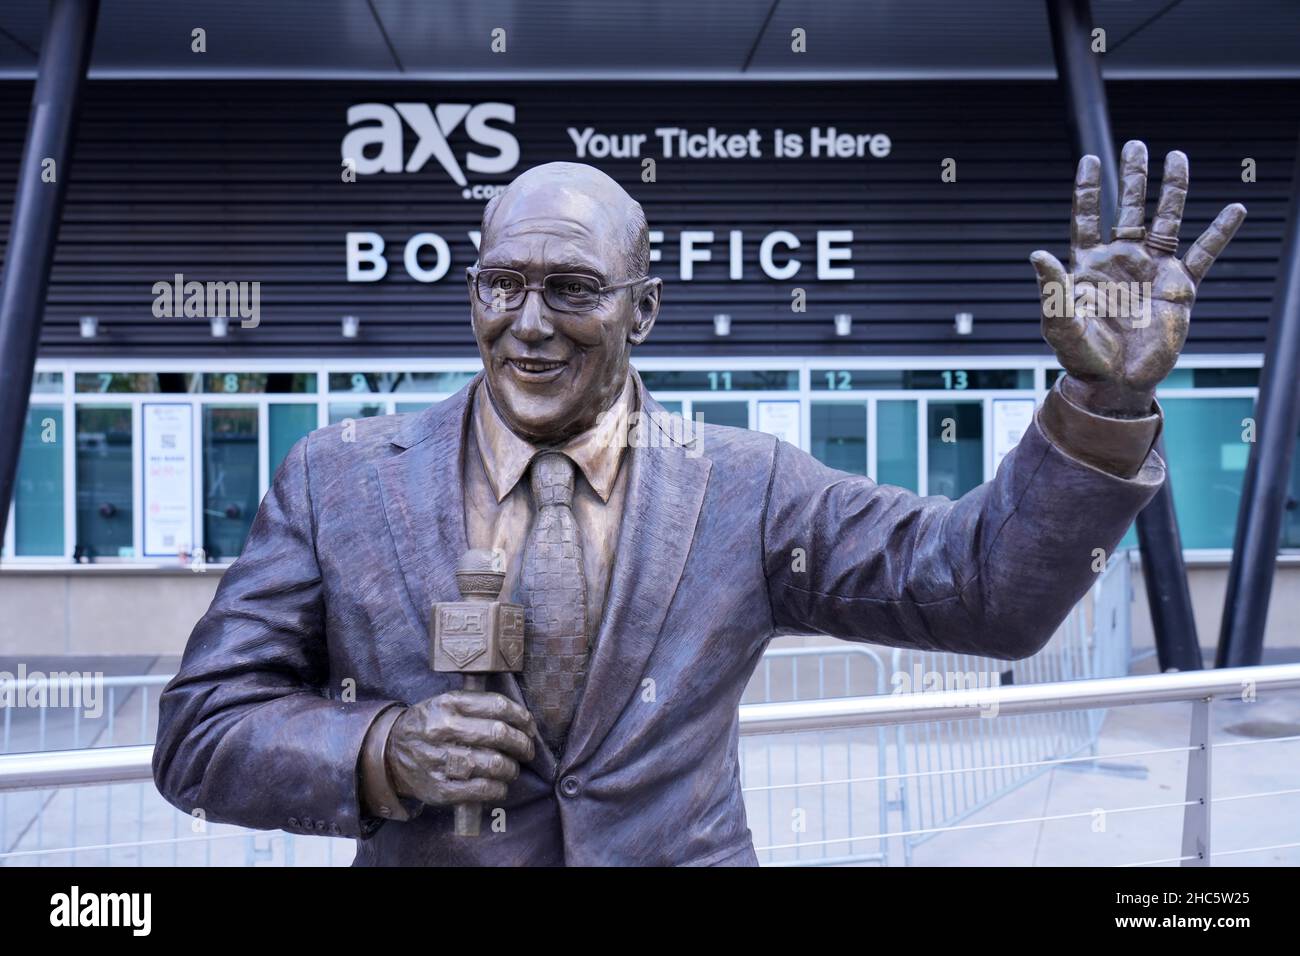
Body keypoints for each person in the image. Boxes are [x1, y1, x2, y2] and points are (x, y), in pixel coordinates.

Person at [154, 147, 1245, 865]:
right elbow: (199, 731)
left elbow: (983, 592)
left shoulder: (746, 488)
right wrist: (382, 749)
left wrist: (1104, 396)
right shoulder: (340, 475)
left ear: (646, 308)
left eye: (571, 289)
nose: (526, 323)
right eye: (500, 284)